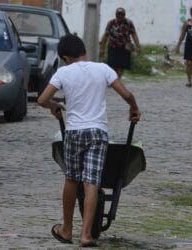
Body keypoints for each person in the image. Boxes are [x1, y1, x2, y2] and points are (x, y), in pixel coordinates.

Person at [37, 34, 140, 247]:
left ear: (66, 57)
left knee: (71, 179)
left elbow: (42, 99)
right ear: (84, 51)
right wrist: (134, 108)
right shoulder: (103, 69)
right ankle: (86, 235)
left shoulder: (63, 72)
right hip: (97, 132)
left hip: (74, 132)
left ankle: (66, 230)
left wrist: (54, 107)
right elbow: (126, 94)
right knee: (91, 181)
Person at [99, 7, 140, 79]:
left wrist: (138, 47)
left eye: (122, 14)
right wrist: (102, 49)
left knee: (121, 66)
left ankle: (117, 80)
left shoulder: (129, 23)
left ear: (124, 15)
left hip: (124, 48)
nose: (120, 16)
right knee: (112, 65)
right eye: (118, 14)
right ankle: (113, 79)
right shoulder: (111, 23)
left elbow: (134, 35)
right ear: (116, 15)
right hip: (113, 47)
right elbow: (105, 36)